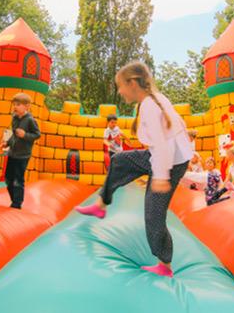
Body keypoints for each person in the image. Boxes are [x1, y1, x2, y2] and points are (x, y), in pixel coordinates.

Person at [75, 61, 192, 278]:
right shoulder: (149, 102)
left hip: (169, 161)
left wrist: (161, 176)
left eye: (120, 86)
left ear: (132, 83)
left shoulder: (150, 105)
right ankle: (101, 204)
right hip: (163, 155)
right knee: (119, 160)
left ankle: (164, 266)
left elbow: (162, 143)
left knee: (153, 214)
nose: (119, 91)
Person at [3, 93, 40, 208]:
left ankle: (17, 203)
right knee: (8, 178)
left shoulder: (30, 120)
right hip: (12, 153)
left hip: (23, 155)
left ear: (27, 106)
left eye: (18, 105)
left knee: (18, 179)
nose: (15, 107)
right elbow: (14, 135)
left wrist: (25, 135)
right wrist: (7, 143)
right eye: (14, 104)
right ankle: (14, 199)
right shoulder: (14, 118)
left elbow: (37, 135)